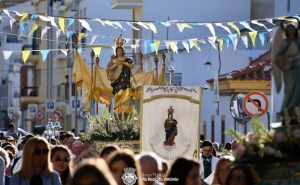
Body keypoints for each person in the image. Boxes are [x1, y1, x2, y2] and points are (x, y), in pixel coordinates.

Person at [273, 21, 300, 123]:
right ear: (287, 31)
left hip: (298, 67)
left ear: (295, 30)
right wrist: (282, 62)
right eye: (289, 30)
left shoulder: (298, 40)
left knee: (298, 89)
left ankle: (295, 111)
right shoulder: (285, 42)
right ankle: (287, 110)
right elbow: (278, 55)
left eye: (292, 29)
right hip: (288, 68)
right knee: (289, 90)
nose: (291, 31)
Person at [106, 37, 138, 114]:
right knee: (118, 94)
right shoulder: (114, 60)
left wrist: (123, 63)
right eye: (118, 50)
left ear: (122, 51)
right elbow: (109, 68)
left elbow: (131, 66)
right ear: (116, 51)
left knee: (127, 94)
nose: (119, 52)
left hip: (126, 80)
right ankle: (118, 111)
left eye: (120, 50)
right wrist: (116, 65)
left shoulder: (126, 59)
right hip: (117, 80)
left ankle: (127, 111)